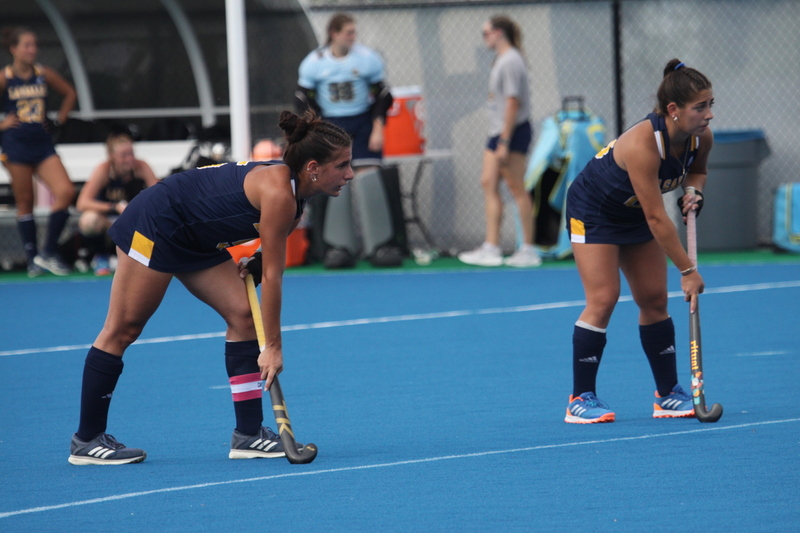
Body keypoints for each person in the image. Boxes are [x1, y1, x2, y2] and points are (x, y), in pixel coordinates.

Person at [68, 111, 353, 465]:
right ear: (313, 168)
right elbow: (274, 279)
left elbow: (269, 250)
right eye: (342, 165)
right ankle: (87, 439)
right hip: (157, 222)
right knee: (123, 328)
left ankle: (248, 434)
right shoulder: (280, 193)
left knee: (243, 317)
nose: (350, 174)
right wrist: (273, 348)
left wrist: (258, 259)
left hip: (196, 237)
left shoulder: (296, 195)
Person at [564, 59, 713, 423]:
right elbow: (657, 218)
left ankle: (668, 394)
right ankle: (580, 398)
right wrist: (688, 270)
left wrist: (694, 192)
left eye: (711, 104)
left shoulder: (701, 137)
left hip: (633, 214)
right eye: (700, 107)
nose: (709, 114)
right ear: (674, 109)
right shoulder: (643, 144)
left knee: (654, 299)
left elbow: (697, 171)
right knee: (604, 298)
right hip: (594, 212)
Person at [295, 12, 398, 268]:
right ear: (334, 33)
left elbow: (383, 95)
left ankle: (380, 245)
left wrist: (377, 128)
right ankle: (338, 247)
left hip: (362, 123)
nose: (353, 36)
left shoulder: (366, 58)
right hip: (331, 125)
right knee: (334, 179)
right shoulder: (314, 62)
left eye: (354, 32)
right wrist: (314, 129)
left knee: (368, 177)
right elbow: (302, 98)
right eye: (348, 32)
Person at [458, 15, 541, 268]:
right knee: (488, 182)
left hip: (511, 132)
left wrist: (505, 141)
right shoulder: (501, 60)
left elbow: (513, 103)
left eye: (486, 33)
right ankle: (491, 247)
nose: (484, 39)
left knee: (516, 188)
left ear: (498, 33)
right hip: (497, 133)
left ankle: (528, 249)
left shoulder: (512, 60)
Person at [0, 26, 76, 276]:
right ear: (14, 49)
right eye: (27, 45)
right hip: (16, 145)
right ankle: (32, 258)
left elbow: (70, 94)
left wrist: (58, 121)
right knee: (25, 202)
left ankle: (48, 252)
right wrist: (3, 124)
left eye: (34, 45)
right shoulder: (5, 77)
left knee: (65, 191)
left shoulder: (43, 74)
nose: (33, 50)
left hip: (42, 144)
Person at [75, 132, 159, 275]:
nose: (129, 159)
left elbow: (159, 197)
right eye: (123, 155)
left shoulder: (141, 167)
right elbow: (82, 203)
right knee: (89, 220)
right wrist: (114, 207)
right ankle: (101, 256)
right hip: (109, 223)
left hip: (135, 224)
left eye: (131, 153)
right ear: (112, 156)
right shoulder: (104, 170)